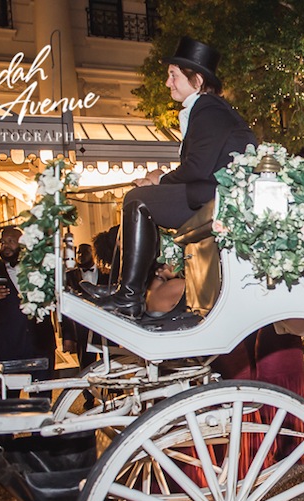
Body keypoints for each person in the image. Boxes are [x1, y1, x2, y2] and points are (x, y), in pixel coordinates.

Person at [87, 36, 256, 318]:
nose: (168, 83)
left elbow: (198, 168)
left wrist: (159, 180)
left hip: (217, 196)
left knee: (137, 198)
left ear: (197, 80)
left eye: (173, 76)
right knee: (140, 200)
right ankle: (125, 290)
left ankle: (129, 295)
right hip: (209, 193)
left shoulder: (209, 109)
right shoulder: (205, 109)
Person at [0, 226, 56, 379]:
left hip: (40, 345)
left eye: (10, 241)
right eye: (2, 242)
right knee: (11, 399)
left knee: (42, 397)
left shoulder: (41, 268)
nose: (5, 246)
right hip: (7, 348)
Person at [63, 243, 109, 369]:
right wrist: (68, 337)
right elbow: (65, 308)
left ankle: (113, 389)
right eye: (78, 253)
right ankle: (89, 389)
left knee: (110, 364)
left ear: (93, 253)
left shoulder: (106, 274)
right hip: (82, 329)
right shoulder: (69, 276)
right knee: (86, 368)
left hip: (106, 328)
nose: (81, 255)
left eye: (85, 252)